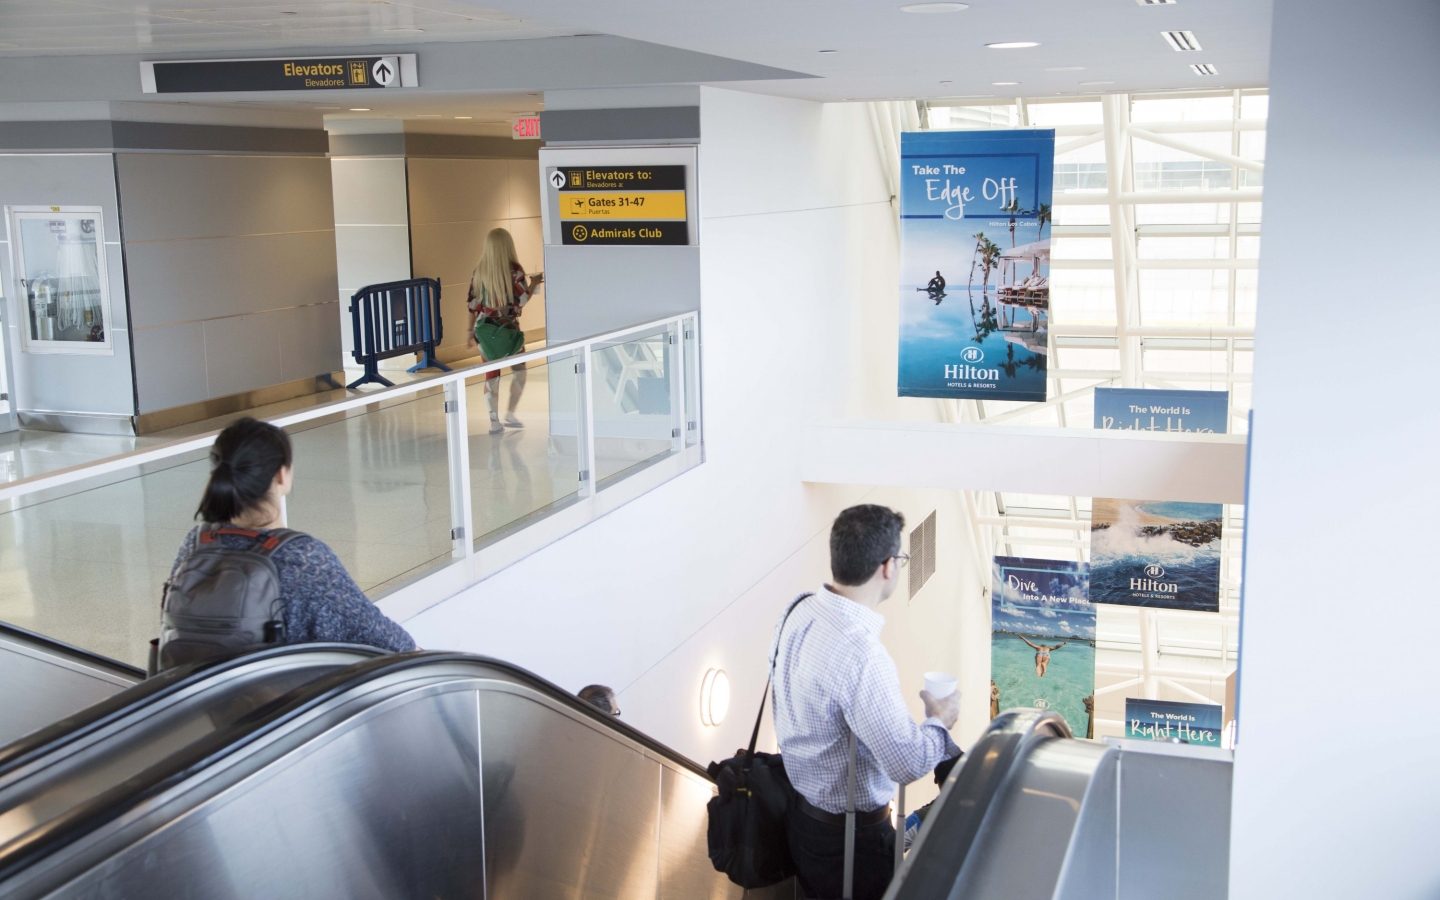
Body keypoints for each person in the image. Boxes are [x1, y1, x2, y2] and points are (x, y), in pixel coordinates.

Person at [771, 504, 961, 900]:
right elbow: (906, 763)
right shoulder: (861, 654)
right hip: (852, 842)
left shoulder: (798, 608)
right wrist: (940, 721)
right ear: (888, 567)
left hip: (800, 818)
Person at [168, 418, 416, 653]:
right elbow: (383, 639)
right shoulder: (301, 558)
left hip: (198, 695)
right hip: (280, 696)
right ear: (280, 475)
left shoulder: (195, 542)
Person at [466, 227, 543, 435]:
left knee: (491, 376)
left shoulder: (479, 271)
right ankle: (510, 412)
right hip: (509, 331)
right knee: (520, 372)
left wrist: (468, 333)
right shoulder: (515, 270)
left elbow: (473, 305)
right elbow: (523, 300)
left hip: (485, 333)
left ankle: (493, 421)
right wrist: (534, 283)